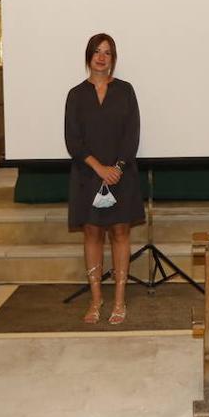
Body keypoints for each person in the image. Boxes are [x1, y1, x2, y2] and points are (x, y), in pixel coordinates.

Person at [64, 33, 145, 325]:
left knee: (121, 233)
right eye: (97, 51)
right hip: (87, 175)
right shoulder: (75, 94)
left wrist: (117, 168)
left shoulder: (125, 91)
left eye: (107, 53)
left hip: (121, 175)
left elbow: (131, 135)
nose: (101, 57)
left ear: (113, 59)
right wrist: (99, 168)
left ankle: (120, 300)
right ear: (89, 56)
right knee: (92, 233)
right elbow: (73, 140)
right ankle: (96, 299)